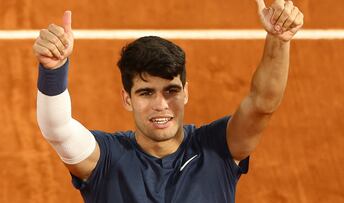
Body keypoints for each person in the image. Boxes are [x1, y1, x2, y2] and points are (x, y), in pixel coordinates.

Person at [33, 0, 303, 202]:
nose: (161, 104)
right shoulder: (105, 159)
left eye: (171, 91)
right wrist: (53, 70)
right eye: (146, 92)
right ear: (127, 98)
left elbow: (262, 104)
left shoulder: (219, 149)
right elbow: (57, 129)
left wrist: (278, 39)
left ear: (185, 92)